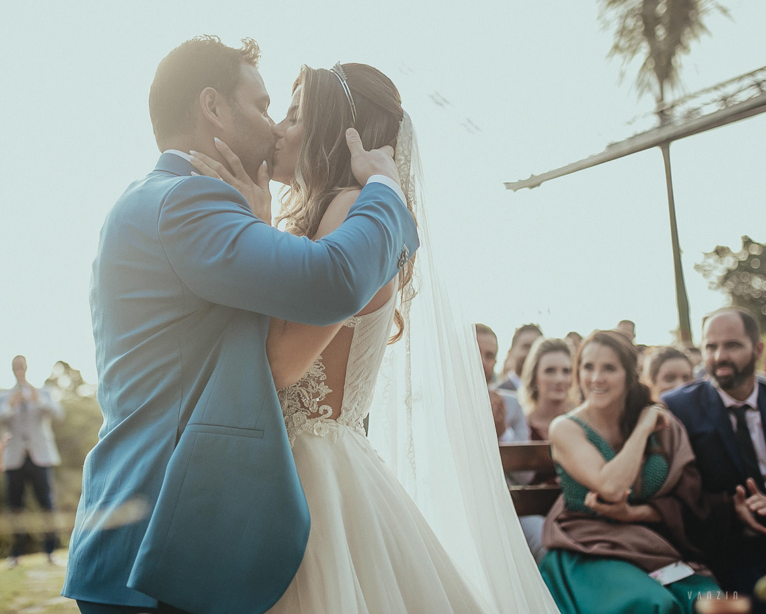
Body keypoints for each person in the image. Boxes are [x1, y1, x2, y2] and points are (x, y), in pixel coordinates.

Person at [62, 38, 420, 614]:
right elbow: (332, 281)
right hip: (159, 534)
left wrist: (264, 227)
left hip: (155, 526)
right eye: (262, 104)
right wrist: (385, 192)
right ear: (213, 107)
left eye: (289, 112)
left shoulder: (159, 197)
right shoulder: (188, 202)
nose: (275, 126)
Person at [191, 63, 557, 613]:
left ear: (336, 133)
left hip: (312, 475)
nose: (278, 131)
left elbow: (285, 364)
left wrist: (253, 230)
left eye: (294, 117)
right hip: (317, 463)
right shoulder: (340, 211)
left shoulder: (349, 208)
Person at [541, 331, 721, 613]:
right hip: (588, 549)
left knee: (710, 599)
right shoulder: (565, 428)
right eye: (588, 367)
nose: (596, 378)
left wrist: (633, 514)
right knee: (652, 603)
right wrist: (643, 428)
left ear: (629, 375)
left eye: (609, 368)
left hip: (648, 544)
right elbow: (610, 487)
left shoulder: (661, 422)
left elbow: (685, 500)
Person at [662, 308, 766, 612]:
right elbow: (676, 494)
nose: (719, 356)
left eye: (732, 345)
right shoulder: (677, 408)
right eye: (710, 346)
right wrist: (732, 511)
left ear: (757, 349)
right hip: (723, 547)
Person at [0, 355, 64, 567]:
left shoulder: (43, 392)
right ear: (12, 369)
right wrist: (10, 406)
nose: (19, 370)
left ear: (27, 367)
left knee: (47, 505)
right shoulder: (2, 396)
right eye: (16, 367)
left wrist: (37, 400)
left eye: (21, 366)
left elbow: (58, 414)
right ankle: (15, 554)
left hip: (40, 457)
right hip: (14, 458)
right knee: (15, 508)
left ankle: (51, 552)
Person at [515, 337, 574, 562]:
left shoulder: (584, 422)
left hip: (579, 520)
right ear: (535, 376)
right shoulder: (522, 425)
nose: (560, 379)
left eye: (566, 371)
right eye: (550, 370)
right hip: (534, 525)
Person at [477, 323, 528, 442]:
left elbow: (524, 453)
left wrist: (503, 432)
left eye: (489, 356)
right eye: (475, 353)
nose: (482, 362)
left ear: (494, 362)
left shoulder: (512, 404)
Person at [497, 324, 543, 391]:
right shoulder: (498, 393)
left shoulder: (547, 393)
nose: (531, 353)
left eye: (536, 347)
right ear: (511, 352)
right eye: (526, 347)